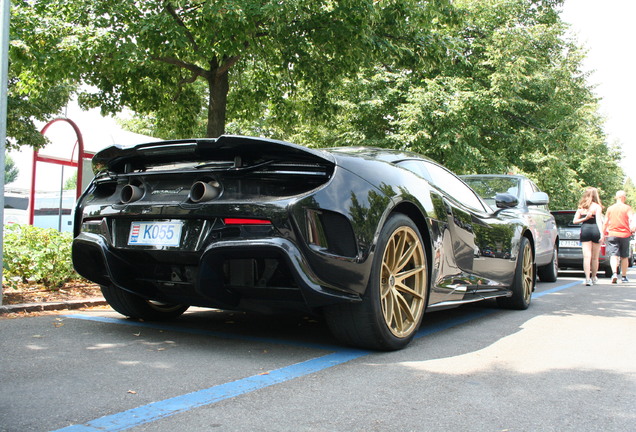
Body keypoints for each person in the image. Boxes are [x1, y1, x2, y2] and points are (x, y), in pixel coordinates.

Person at [573, 187, 604, 285]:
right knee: (595, 257)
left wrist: (585, 218)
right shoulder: (597, 207)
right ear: (596, 195)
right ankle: (594, 277)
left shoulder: (581, 207)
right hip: (595, 230)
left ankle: (587, 278)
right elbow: (599, 221)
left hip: (585, 230)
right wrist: (602, 233)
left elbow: (574, 221)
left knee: (586, 257)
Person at [602, 190, 635, 283]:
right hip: (625, 234)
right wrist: (633, 228)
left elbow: (605, 222)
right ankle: (624, 277)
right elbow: (632, 219)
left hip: (612, 234)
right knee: (624, 256)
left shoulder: (610, 208)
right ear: (624, 197)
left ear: (616, 198)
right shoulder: (627, 208)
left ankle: (614, 273)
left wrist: (603, 234)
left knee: (613, 255)